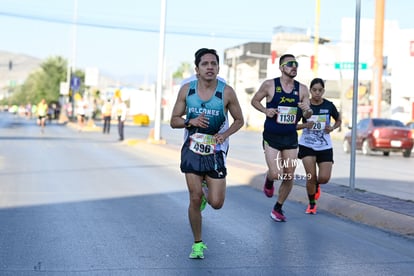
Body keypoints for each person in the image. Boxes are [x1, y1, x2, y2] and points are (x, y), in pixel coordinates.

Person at [170, 48, 244, 259]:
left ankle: (206, 188)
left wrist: (225, 134)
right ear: (197, 69)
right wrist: (189, 121)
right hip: (192, 148)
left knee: (217, 203)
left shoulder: (226, 92)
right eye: (205, 64)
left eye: (213, 63)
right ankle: (197, 243)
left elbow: (240, 120)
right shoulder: (187, 90)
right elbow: (174, 120)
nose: (210, 67)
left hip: (216, 151)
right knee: (194, 198)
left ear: (218, 68)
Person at [250, 53, 313, 222]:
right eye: (290, 64)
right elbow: (254, 101)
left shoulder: (302, 89)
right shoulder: (270, 85)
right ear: (281, 67)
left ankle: (278, 207)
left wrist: (307, 109)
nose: (294, 67)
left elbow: (308, 113)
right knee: (276, 173)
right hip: (271, 135)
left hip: (290, 137)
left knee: (289, 175)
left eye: (296, 64)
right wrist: (265, 110)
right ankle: (269, 179)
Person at [296, 78, 342, 214]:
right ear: (310, 91)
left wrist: (332, 127)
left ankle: (316, 185)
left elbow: (339, 120)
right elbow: (293, 125)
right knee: (311, 176)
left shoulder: (329, 105)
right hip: (307, 145)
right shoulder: (304, 106)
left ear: (323, 91)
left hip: (324, 145)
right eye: (314, 90)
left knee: (324, 178)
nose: (317, 93)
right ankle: (311, 204)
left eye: (320, 90)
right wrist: (305, 125)